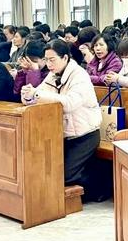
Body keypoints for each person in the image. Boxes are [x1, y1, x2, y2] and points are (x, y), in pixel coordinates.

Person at [21, 40, 102, 194]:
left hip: (84, 134)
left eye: (52, 60)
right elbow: (38, 93)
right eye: (46, 60)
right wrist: (28, 95)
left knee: (65, 176)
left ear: (65, 57)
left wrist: (36, 95)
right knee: (51, 171)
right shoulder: (53, 75)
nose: (49, 64)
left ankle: (102, 187)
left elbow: (69, 103)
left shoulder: (79, 75)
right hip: (62, 134)